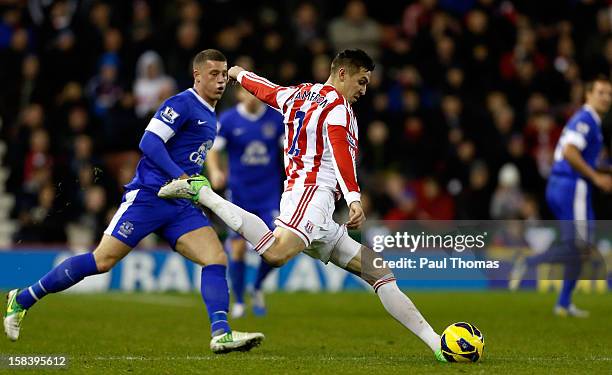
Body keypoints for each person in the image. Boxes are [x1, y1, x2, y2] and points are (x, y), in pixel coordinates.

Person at [159, 49, 446, 361]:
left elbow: (267, 90)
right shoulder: (339, 107)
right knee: (276, 253)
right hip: (312, 195)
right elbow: (340, 151)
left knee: (378, 270)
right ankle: (203, 192)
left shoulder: (297, 94)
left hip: (311, 201)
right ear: (342, 74)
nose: (364, 89)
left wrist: (239, 75)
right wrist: (353, 197)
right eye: (361, 81)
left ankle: (438, 345)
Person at [4, 49, 264, 354]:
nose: (221, 81)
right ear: (197, 75)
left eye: (223, 75)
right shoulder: (182, 103)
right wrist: (180, 176)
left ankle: (221, 333)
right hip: (148, 198)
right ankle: (22, 299)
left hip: (180, 205)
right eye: (213, 74)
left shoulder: (210, 115)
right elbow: (149, 142)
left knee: (215, 258)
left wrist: (188, 182)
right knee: (102, 261)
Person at [509, 77, 612, 317]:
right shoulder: (585, 119)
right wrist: (596, 178)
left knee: (579, 248)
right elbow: (569, 152)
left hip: (564, 185)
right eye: (601, 92)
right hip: (572, 186)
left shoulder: (590, 122)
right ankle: (529, 263)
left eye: (609, 93)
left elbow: (586, 157)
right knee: (579, 246)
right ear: (588, 95)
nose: (606, 97)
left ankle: (563, 303)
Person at [208, 86, 284, 317]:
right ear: (239, 95)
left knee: (278, 246)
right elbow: (214, 149)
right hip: (240, 193)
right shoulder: (229, 119)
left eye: (255, 92)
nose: (252, 96)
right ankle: (239, 300)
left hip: (269, 193)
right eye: (247, 92)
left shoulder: (276, 118)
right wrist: (215, 172)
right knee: (238, 247)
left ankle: (257, 286)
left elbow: (289, 151)